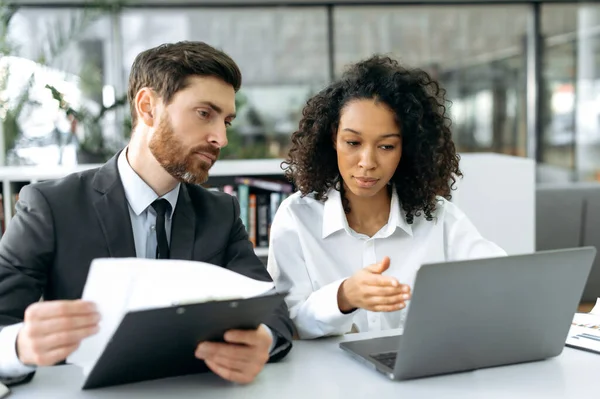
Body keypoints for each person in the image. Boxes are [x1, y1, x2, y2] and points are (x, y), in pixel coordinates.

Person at [0, 41, 293, 386]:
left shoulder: (220, 212)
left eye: (226, 121)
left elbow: (272, 311)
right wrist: (20, 345)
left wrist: (262, 340)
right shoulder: (51, 207)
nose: (220, 138)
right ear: (147, 107)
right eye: (204, 113)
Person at [267, 55, 506, 340]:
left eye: (386, 146)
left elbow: (500, 279)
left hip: (421, 373)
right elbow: (287, 322)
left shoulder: (439, 217)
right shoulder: (296, 218)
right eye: (353, 143)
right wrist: (344, 296)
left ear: (407, 148)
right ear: (333, 138)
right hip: (330, 379)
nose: (367, 162)